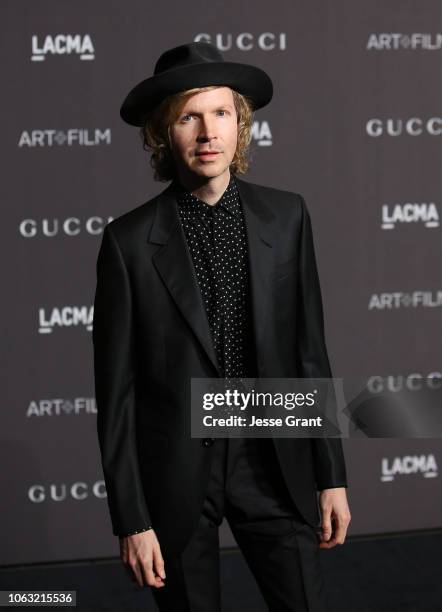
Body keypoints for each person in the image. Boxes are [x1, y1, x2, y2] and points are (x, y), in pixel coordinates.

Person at [92, 41, 351, 611]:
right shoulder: (129, 243)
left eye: (220, 114)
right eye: (189, 116)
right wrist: (131, 519)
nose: (207, 132)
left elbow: (311, 352)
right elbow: (117, 398)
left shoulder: (287, 217)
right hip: (178, 477)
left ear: (240, 126)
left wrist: (332, 475)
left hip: (272, 457)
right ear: (164, 133)